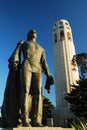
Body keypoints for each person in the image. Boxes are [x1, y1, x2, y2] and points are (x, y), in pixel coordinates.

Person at [10, 29, 53, 127]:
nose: (34, 31)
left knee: (38, 93)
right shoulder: (24, 43)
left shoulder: (41, 48)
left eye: (35, 31)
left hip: (38, 68)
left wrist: (48, 73)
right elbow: (16, 53)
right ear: (28, 34)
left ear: (36, 35)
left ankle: (36, 120)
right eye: (31, 31)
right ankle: (25, 119)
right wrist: (15, 61)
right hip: (27, 65)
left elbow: (44, 63)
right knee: (25, 90)